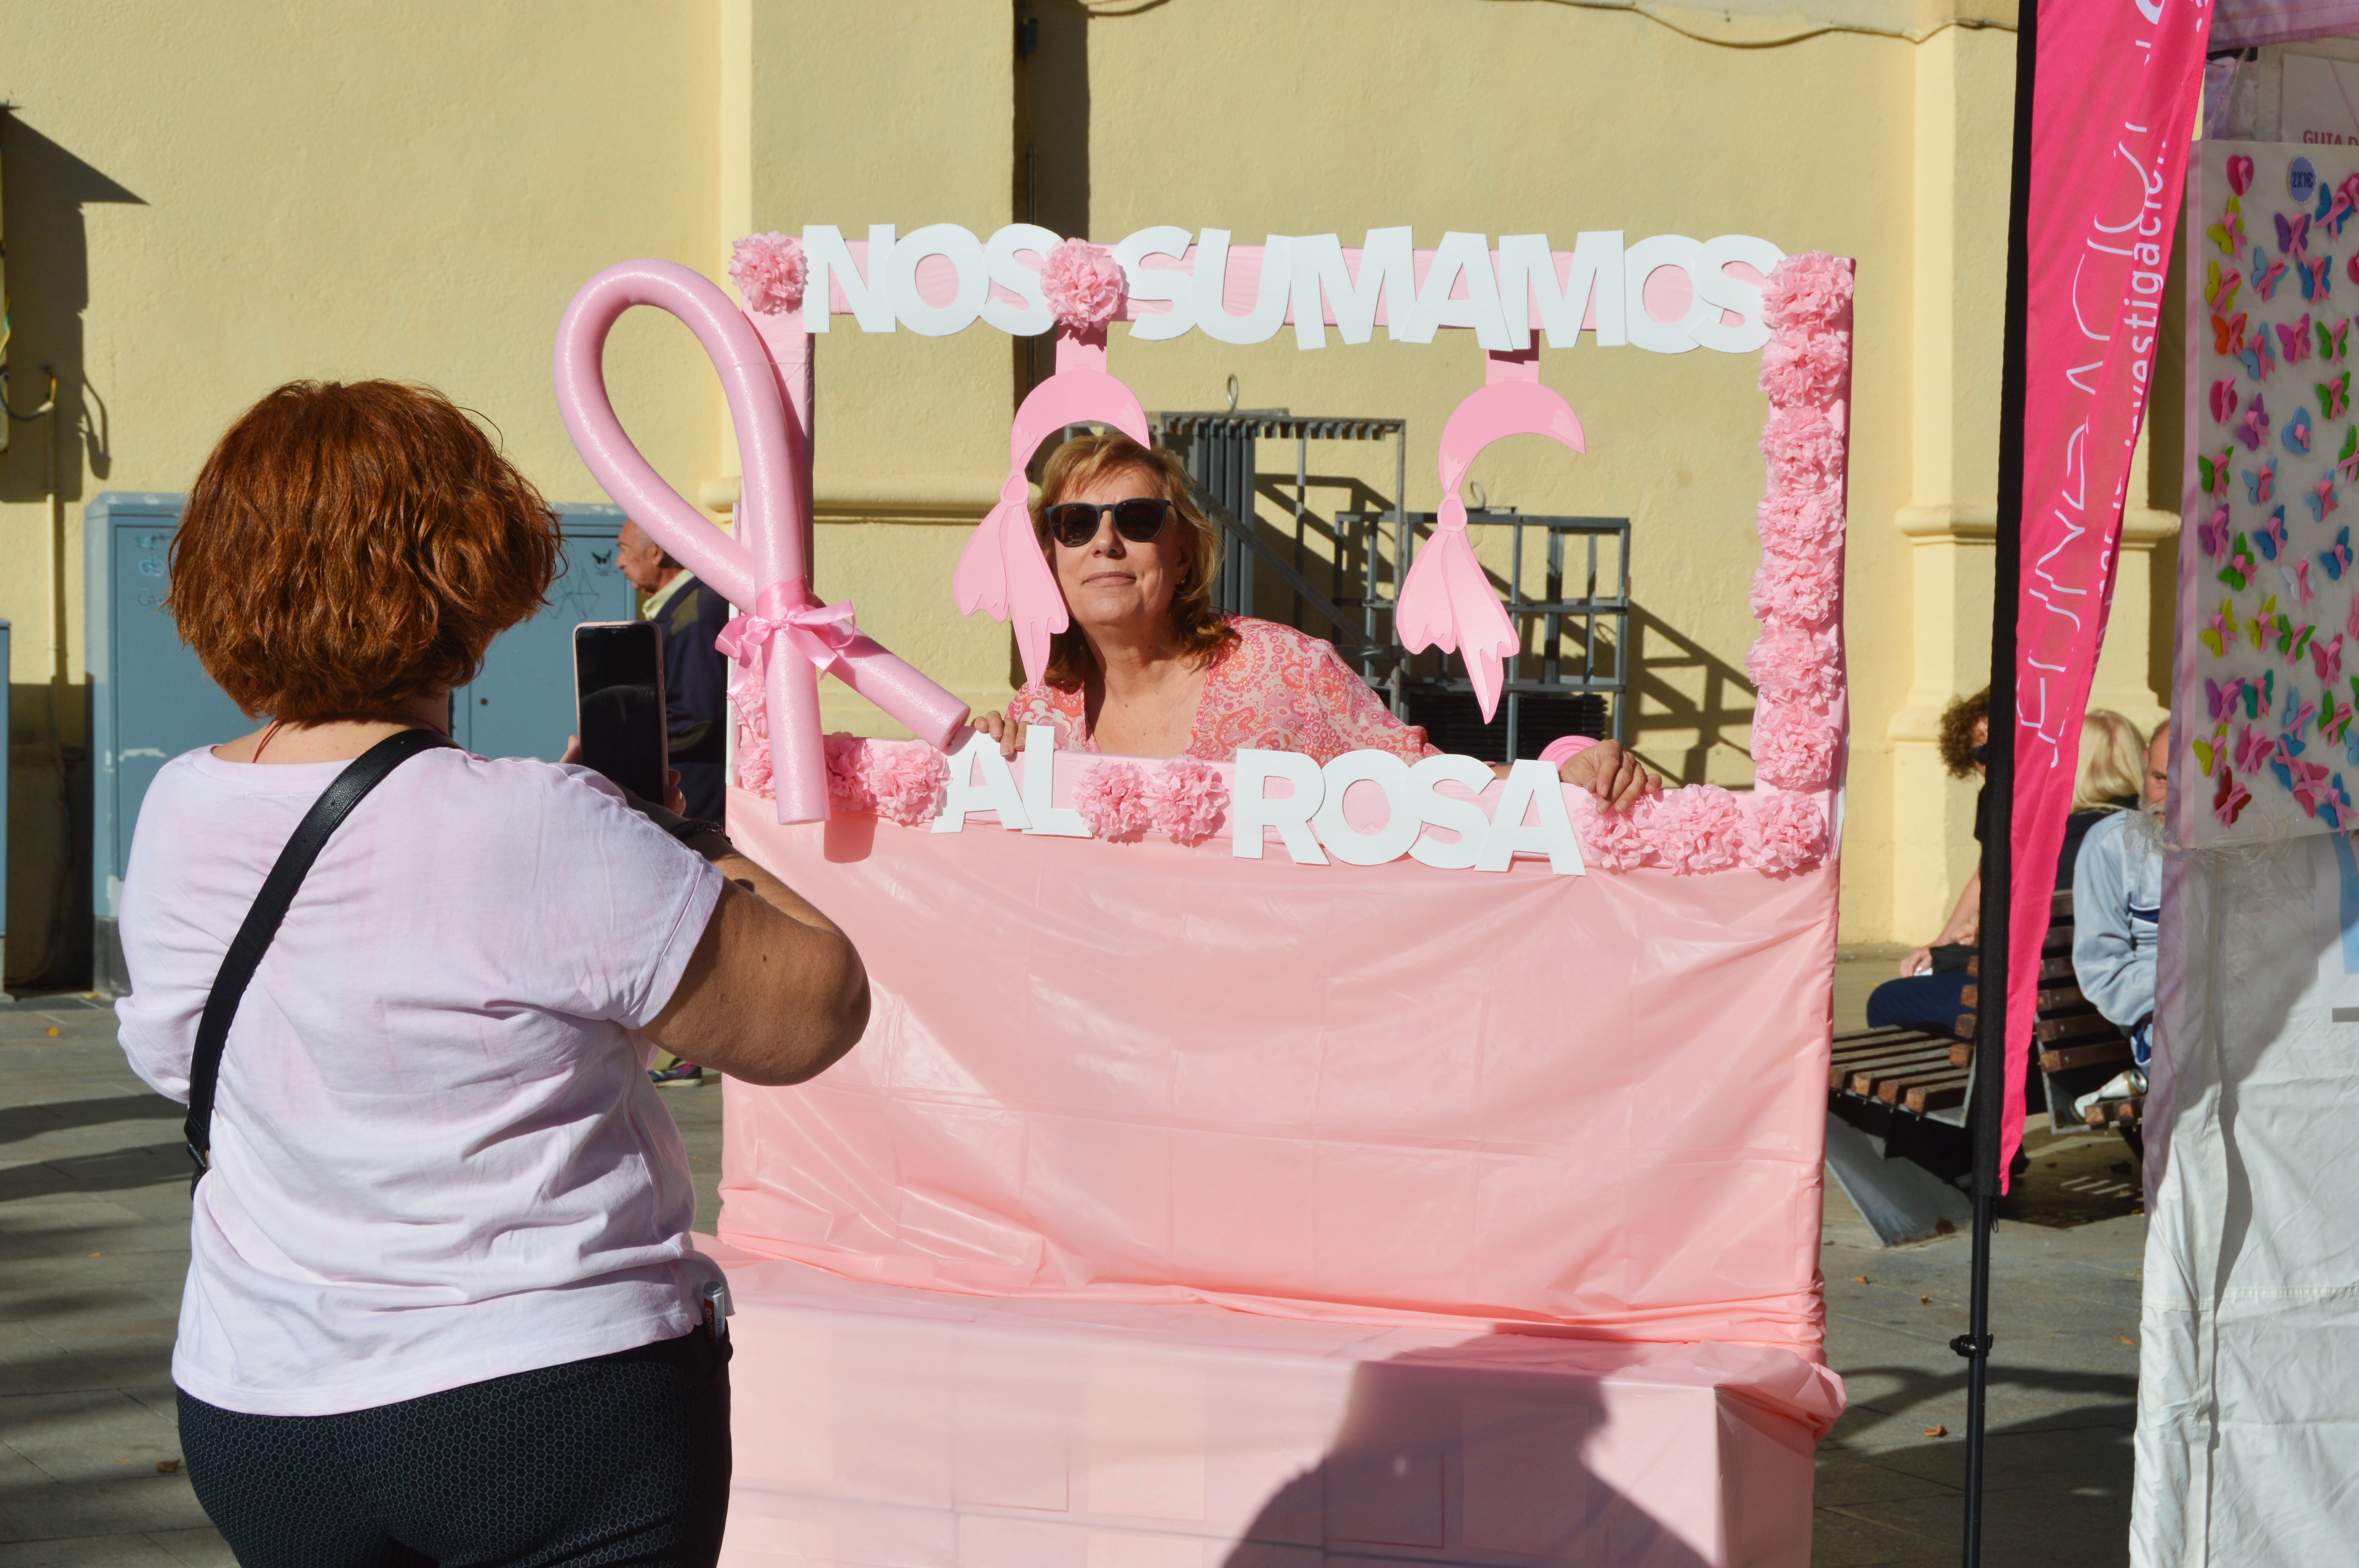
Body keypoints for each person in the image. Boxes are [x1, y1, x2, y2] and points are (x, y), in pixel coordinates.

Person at [118, 380, 869, 1567]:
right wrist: (687, 841)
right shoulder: (535, 823)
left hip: (262, 1404)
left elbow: (174, 1057)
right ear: (466, 582)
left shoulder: (175, 807)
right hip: (548, 1401)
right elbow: (814, 1009)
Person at [969, 432, 1661, 807]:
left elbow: (1423, 779)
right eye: (1076, 523)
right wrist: (977, 761)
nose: (1105, 543)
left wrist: (1561, 773)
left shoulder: (1281, 669)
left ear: (1182, 558)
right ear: (1052, 559)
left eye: (1139, 519)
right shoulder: (1038, 720)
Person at [1868, 706, 2147, 1037]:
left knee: (1886, 1000)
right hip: (2122, 1011)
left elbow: (2021, 949)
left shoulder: (2059, 838)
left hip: (2039, 1012)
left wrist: (1979, 940)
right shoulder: (2154, 833)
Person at [618, 519, 734, 823]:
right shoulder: (686, 606)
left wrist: (619, 739)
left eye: (624, 549)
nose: (619, 563)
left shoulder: (695, 611)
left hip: (696, 796)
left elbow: (698, 717)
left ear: (656, 552)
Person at [2072, 718, 2167, 1066]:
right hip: (2171, 1027)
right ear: (2144, 765)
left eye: (2189, 784)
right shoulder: (2113, 843)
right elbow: (2103, 970)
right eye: (2160, 779)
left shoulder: (2243, 841)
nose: (2170, 799)